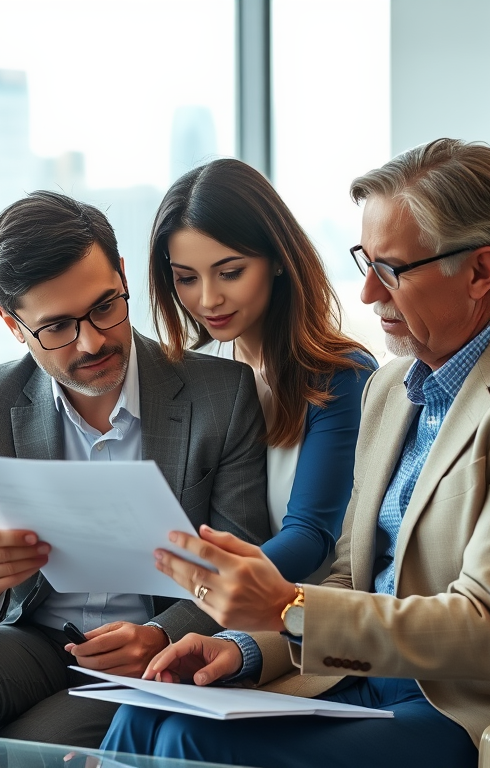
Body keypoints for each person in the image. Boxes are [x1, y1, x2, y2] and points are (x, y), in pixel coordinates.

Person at [101, 139, 490, 768]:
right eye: (365, 260)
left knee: (192, 740)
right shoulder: (394, 387)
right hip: (364, 679)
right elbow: (350, 576)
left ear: (480, 271)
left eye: (391, 269)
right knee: (148, 708)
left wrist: (283, 605)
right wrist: (247, 648)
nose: (364, 294)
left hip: (486, 712)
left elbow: (487, 632)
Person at [0, 191, 272, 748]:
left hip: (156, 652)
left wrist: (161, 634)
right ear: (12, 323)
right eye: (57, 327)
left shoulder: (221, 395)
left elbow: (246, 559)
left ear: (121, 274)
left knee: (40, 739)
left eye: (104, 307)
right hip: (35, 639)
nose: (92, 340)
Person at [150, 158, 375, 583]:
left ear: (277, 259)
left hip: (298, 625)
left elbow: (309, 537)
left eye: (230, 273)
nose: (209, 299)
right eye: (186, 278)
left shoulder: (339, 378)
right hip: (205, 616)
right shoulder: (191, 371)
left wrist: (201, 589)